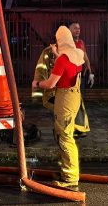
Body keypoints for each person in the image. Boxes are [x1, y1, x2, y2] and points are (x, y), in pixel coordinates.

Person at [32, 26, 84, 192]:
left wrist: (37, 84)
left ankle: (70, 179)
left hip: (65, 99)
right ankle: (69, 173)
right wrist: (56, 53)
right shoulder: (78, 54)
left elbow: (50, 84)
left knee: (65, 137)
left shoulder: (62, 60)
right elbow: (68, 64)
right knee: (66, 135)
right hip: (75, 97)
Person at [32, 42, 89, 136]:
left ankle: (70, 131)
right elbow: (41, 71)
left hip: (65, 90)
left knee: (66, 111)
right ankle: (68, 131)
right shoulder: (49, 52)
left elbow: (66, 66)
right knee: (64, 111)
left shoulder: (71, 53)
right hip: (58, 91)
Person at [68, 21, 92, 138]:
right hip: (70, 77)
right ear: (69, 30)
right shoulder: (67, 43)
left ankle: (78, 128)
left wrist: (90, 70)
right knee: (73, 103)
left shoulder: (81, 42)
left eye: (79, 28)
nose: (78, 30)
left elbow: (85, 56)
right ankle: (76, 128)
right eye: (75, 28)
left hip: (79, 77)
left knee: (78, 102)